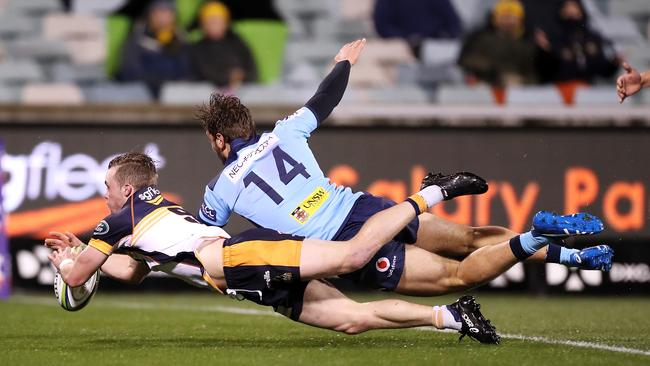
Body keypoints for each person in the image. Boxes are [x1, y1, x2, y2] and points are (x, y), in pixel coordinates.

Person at [197, 39, 614, 297]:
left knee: (455, 278)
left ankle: (538, 236)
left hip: (344, 244)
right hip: (370, 210)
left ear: (219, 139)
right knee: (471, 238)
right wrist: (344, 63)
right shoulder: (285, 132)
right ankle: (576, 258)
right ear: (248, 126)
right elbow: (325, 99)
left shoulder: (219, 188)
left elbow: (202, 241)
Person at [46, 153, 610, 344]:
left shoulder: (124, 214)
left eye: (105, 189)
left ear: (122, 187)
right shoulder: (146, 216)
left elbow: (79, 281)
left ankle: (432, 193)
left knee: (348, 258)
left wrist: (66, 262)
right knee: (350, 321)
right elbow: (133, 272)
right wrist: (83, 257)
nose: (103, 197)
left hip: (242, 260)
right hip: (242, 277)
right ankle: (452, 319)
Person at [117, 0, 190, 98]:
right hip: (142, 93)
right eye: (157, 12)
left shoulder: (180, 39)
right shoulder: (137, 38)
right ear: (149, 15)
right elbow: (129, 71)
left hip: (173, 94)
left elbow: (186, 71)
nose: (162, 18)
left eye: (167, 13)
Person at [533, 0, 618, 84]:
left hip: (587, 89)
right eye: (567, 7)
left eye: (574, 7)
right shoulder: (553, 37)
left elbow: (601, 68)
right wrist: (545, 52)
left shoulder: (591, 38)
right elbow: (544, 70)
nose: (571, 10)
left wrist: (614, 64)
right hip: (559, 89)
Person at [458, 0, 538, 87]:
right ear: (495, 19)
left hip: (518, 89)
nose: (507, 21)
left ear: (520, 19)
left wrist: (523, 82)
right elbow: (467, 60)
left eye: (511, 17)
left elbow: (532, 72)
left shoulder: (527, 45)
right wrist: (495, 72)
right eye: (503, 17)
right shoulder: (482, 39)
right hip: (486, 85)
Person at [189, 2, 258, 88]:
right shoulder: (198, 48)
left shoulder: (237, 43)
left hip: (242, 91)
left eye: (219, 21)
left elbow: (252, 69)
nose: (215, 25)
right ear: (203, 25)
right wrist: (229, 78)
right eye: (211, 22)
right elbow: (203, 73)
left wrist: (242, 77)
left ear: (226, 23)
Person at [373, 0, 462, 57]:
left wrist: (441, 38)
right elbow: (382, 26)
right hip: (402, 50)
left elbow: (454, 24)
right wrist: (407, 38)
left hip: (436, 48)